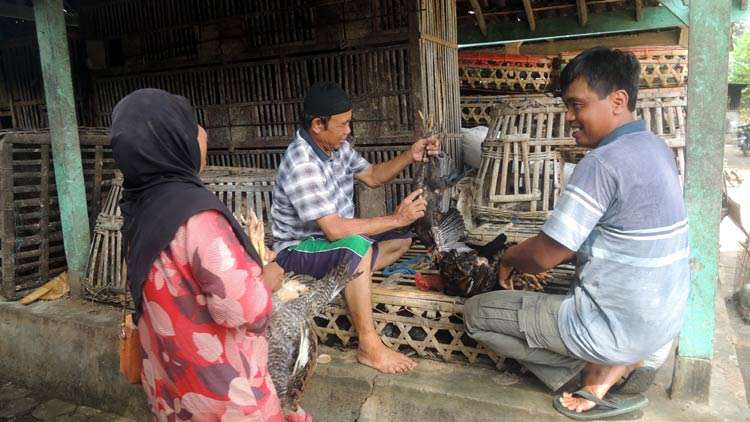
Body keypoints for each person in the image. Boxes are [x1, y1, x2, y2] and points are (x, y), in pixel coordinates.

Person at [463, 47, 690, 419]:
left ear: (618, 101)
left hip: (616, 328)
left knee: (474, 314)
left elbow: (544, 257)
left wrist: (507, 257)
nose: (570, 117)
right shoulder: (655, 148)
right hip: (660, 323)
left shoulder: (602, 162)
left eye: (577, 105)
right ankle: (617, 364)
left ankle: (586, 373)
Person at [112, 89, 302, 421]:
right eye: (190, 124)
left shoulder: (138, 208)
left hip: (172, 384)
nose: (202, 133)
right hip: (222, 393)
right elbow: (242, 308)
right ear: (171, 140)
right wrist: (269, 277)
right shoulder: (198, 218)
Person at [271, 81, 439, 374]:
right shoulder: (301, 161)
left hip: (331, 244)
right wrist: (395, 217)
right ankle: (369, 344)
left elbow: (373, 175)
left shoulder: (338, 148)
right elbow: (334, 230)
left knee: (402, 237)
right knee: (357, 245)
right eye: (343, 124)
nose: (348, 130)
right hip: (298, 249)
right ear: (317, 125)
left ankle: (349, 277)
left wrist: (410, 155)